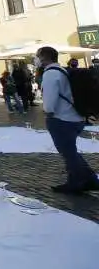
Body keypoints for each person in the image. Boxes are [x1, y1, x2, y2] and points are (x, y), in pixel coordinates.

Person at [38, 46, 99, 193]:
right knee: (70, 152)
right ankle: (85, 180)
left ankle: (81, 182)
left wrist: (48, 113)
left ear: (44, 58)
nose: (36, 59)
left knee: (68, 153)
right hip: (74, 118)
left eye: (37, 56)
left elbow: (50, 100)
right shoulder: (61, 70)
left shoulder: (50, 74)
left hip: (62, 119)